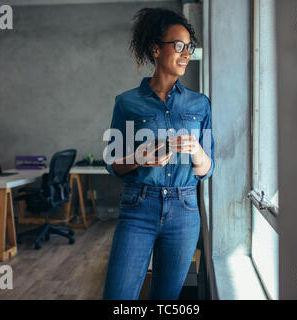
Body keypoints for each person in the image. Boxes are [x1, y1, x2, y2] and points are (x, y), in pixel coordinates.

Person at [102, 7, 214, 300]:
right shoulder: (126, 103)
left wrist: (197, 151)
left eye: (189, 47)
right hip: (138, 207)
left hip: (185, 209)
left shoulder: (200, 104)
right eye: (178, 45)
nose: (186, 53)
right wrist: (140, 157)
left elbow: (207, 168)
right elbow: (112, 163)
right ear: (155, 49)